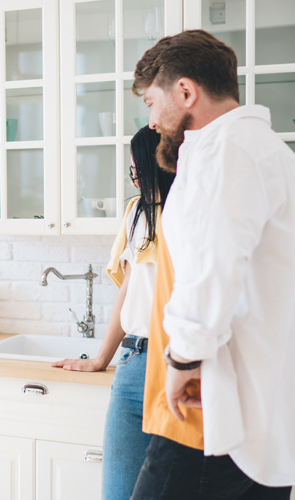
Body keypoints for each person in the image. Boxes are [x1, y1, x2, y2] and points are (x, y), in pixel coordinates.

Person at [129, 29, 295, 499]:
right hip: (258, 412)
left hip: (213, 410)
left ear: (185, 91)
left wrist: (183, 358)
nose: (152, 119)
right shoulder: (270, 152)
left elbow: (214, 265)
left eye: (150, 101)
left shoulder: (227, 152)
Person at [52, 125, 175, 500]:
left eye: (139, 165)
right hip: (133, 365)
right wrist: (101, 358)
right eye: (132, 167)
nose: (134, 174)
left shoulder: (189, 212)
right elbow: (129, 287)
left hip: (176, 367)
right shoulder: (136, 212)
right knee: (118, 494)